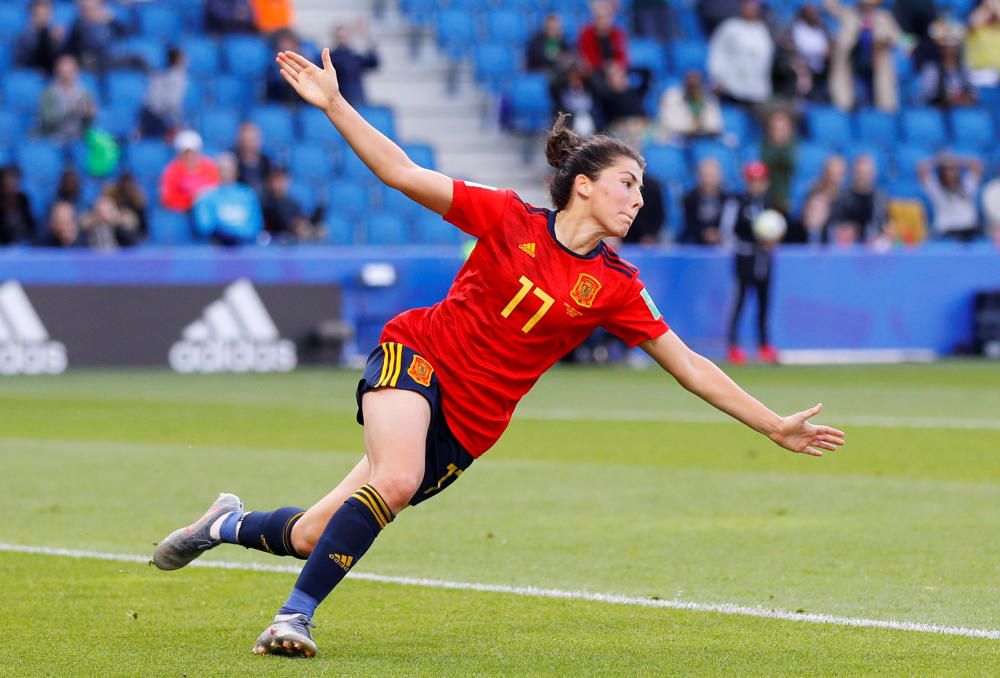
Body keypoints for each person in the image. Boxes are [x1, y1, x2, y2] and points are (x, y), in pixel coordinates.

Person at [151, 48, 845, 660]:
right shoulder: (505, 217)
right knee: (392, 480)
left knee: (311, 536)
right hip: (417, 358)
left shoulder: (616, 287)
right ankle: (294, 618)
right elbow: (399, 171)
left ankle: (225, 523)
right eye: (628, 183)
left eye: (641, 188)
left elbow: (690, 365)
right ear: (585, 184)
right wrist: (335, 104)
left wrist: (772, 423)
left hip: (471, 426)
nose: (640, 198)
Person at [722, 161, 777, 364]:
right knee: (740, 301)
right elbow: (727, 231)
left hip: (765, 259)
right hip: (745, 258)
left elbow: (776, 228)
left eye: (760, 181)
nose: (757, 185)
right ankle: (734, 346)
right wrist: (749, 244)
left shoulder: (767, 203)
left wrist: (770, 242)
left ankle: (764, 345)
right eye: (753, 181)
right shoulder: (737, 202)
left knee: (764, 303)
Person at [825, 0, 902, 112]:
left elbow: (897, 37)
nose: (867, 6)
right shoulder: (850, 15)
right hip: (853, 64)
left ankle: (884, 117)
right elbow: (831, 7)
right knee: (851, 98)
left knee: (882, 96)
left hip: (876, 64)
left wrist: (886, 40)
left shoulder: (884, 17)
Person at [707, 0, 775, 107]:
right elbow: (718, 54)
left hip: (757, 91)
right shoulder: (729, 27)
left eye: (754, 7)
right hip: (732, 88)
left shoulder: (762, 29)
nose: (751, 9)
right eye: (748, 6)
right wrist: (717, 79)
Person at [192, 152, 264, 245]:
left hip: (245, 248)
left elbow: (256, 226)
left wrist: (233, 231)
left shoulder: (247, 195)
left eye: (229, 169)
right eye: (222, 169)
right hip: (216, 247)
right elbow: (204, 227)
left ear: (236, 171)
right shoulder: (206, 196)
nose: (225, 173)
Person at [918, 154, 983, 242]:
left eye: (953, 170)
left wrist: (956, 162)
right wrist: (941, 162)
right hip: (946, 231)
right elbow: (921, 169)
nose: (950, 173)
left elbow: (977, 166)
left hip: (969, 229)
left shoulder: (967, 186)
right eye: (947, 170)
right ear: (942, 173)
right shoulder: (936, 189)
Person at [828, 155, 888, 245]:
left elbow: (883, 224)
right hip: (847, 246)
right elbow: (834, 224)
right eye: (860, 173)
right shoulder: (842, 197)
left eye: (867, 173)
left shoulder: (879, 198)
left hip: (873, 247)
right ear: (853, 173)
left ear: (874, 174)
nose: (863, 177)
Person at [38, 54, 97, 144]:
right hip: (54, 138)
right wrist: (70, 111)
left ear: (76, 72)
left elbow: (88, 124)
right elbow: (47, 120)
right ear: (56, 73)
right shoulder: (48, 94)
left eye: (70, 72)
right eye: (63, 72)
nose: (66, 75)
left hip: (78, 138)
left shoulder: (85, 93)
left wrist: (89, 116)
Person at [159, 130, 221, 212]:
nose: (189, 156)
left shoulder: (209, 167)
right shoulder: (172, 171)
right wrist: (191, 199)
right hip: (181, 212)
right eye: (186, 153)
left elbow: (216, 190)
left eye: (193, 152)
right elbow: (168, 198)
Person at [920, 20, 976, 108]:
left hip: (962, 110)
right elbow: (929, 95)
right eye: (945, 47)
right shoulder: (932, 69)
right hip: (940, 110)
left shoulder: (964, 69)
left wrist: (963, 97)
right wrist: (949, 97)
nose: (949, 51)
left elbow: (973, 93)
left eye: (952, 47)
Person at [61, 0, 130, 72]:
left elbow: (127, 32)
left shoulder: (109, 22)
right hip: (90, 63)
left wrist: (113, 20)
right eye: (86, 9)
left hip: (111, 60)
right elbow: (71, 48)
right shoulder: (78, 25)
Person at [657, 70, 724, 142]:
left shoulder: (709, 99)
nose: (693, 84)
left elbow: (716, 125)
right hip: (676, 140)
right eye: (690, 82)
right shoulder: (671, 97)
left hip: (702, 140)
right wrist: (692, 127)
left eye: (696, 82)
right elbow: (669, 124)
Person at [261, 165, 323, 242]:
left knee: (321, 230)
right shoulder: (267, 203)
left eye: (282, 179)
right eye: (275, 179)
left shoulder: (292, 202)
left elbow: (302, 218)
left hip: (292, 242)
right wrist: (298, 226)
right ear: (268, 182)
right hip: (275, 241)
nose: (279, 183)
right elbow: (283, 222)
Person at [140, 47, 189, 138]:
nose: (187, 61)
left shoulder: (159, 76)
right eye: (184, 58)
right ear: (178, 60)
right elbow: (170, 102)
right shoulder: (175, 78)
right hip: (164, 119)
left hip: (165, 117)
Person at [680, 157, 728, 245]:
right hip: (696, 243)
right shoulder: (689, 198)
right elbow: (688, 224)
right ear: (698, 177)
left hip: (722, 243)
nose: (708, 180)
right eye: (705, 175)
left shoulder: (728, 199)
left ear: (720, 176)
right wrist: (704, 233)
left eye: (712, 176)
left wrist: (719, 233)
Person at [329, 22, 379, 107]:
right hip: (341, 101)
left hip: (358, 99)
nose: (342, 39)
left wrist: (367, 36)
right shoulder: (331, 57)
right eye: (339, 36)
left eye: (344, 36)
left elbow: (374, 62)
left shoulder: (355, 56)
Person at [759, 108, 797, 216]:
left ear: (790, 130)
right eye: (774, 128)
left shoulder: (798, 150)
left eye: (782, 129)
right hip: (766, 204)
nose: (778, 133)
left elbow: (790, 162)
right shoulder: (760, 149)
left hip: (794, 205)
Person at [578, 1, 629, 75]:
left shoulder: (617, 33)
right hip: (597, 70)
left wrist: (616, 66)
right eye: (599, 17)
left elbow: (623, 56)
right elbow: (589, 57)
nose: (603, 20)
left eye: (607, 16)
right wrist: (605, 66)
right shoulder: (586, 34)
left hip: (615, 69)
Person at [14, 0, 64, 76]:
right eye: (38, 15)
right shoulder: (24, 36)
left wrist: (57, 42)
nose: (42, 18)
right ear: (31, 16)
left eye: (46, 15)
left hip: (52, 76)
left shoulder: (54, 35)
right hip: (31, 75)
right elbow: (22, 61)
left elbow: (58, 60)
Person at [0, 166, 37, 246]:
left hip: (24, 246)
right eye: (8, 184)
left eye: (15, 183)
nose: (12, 187)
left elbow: (30, 227)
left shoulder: (24, 200)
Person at [233, 121, 273, 197]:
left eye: (251, 140)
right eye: (245, 141)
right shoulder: (233, 161)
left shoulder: (267, 162)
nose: (248, 145)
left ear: (259, 140)